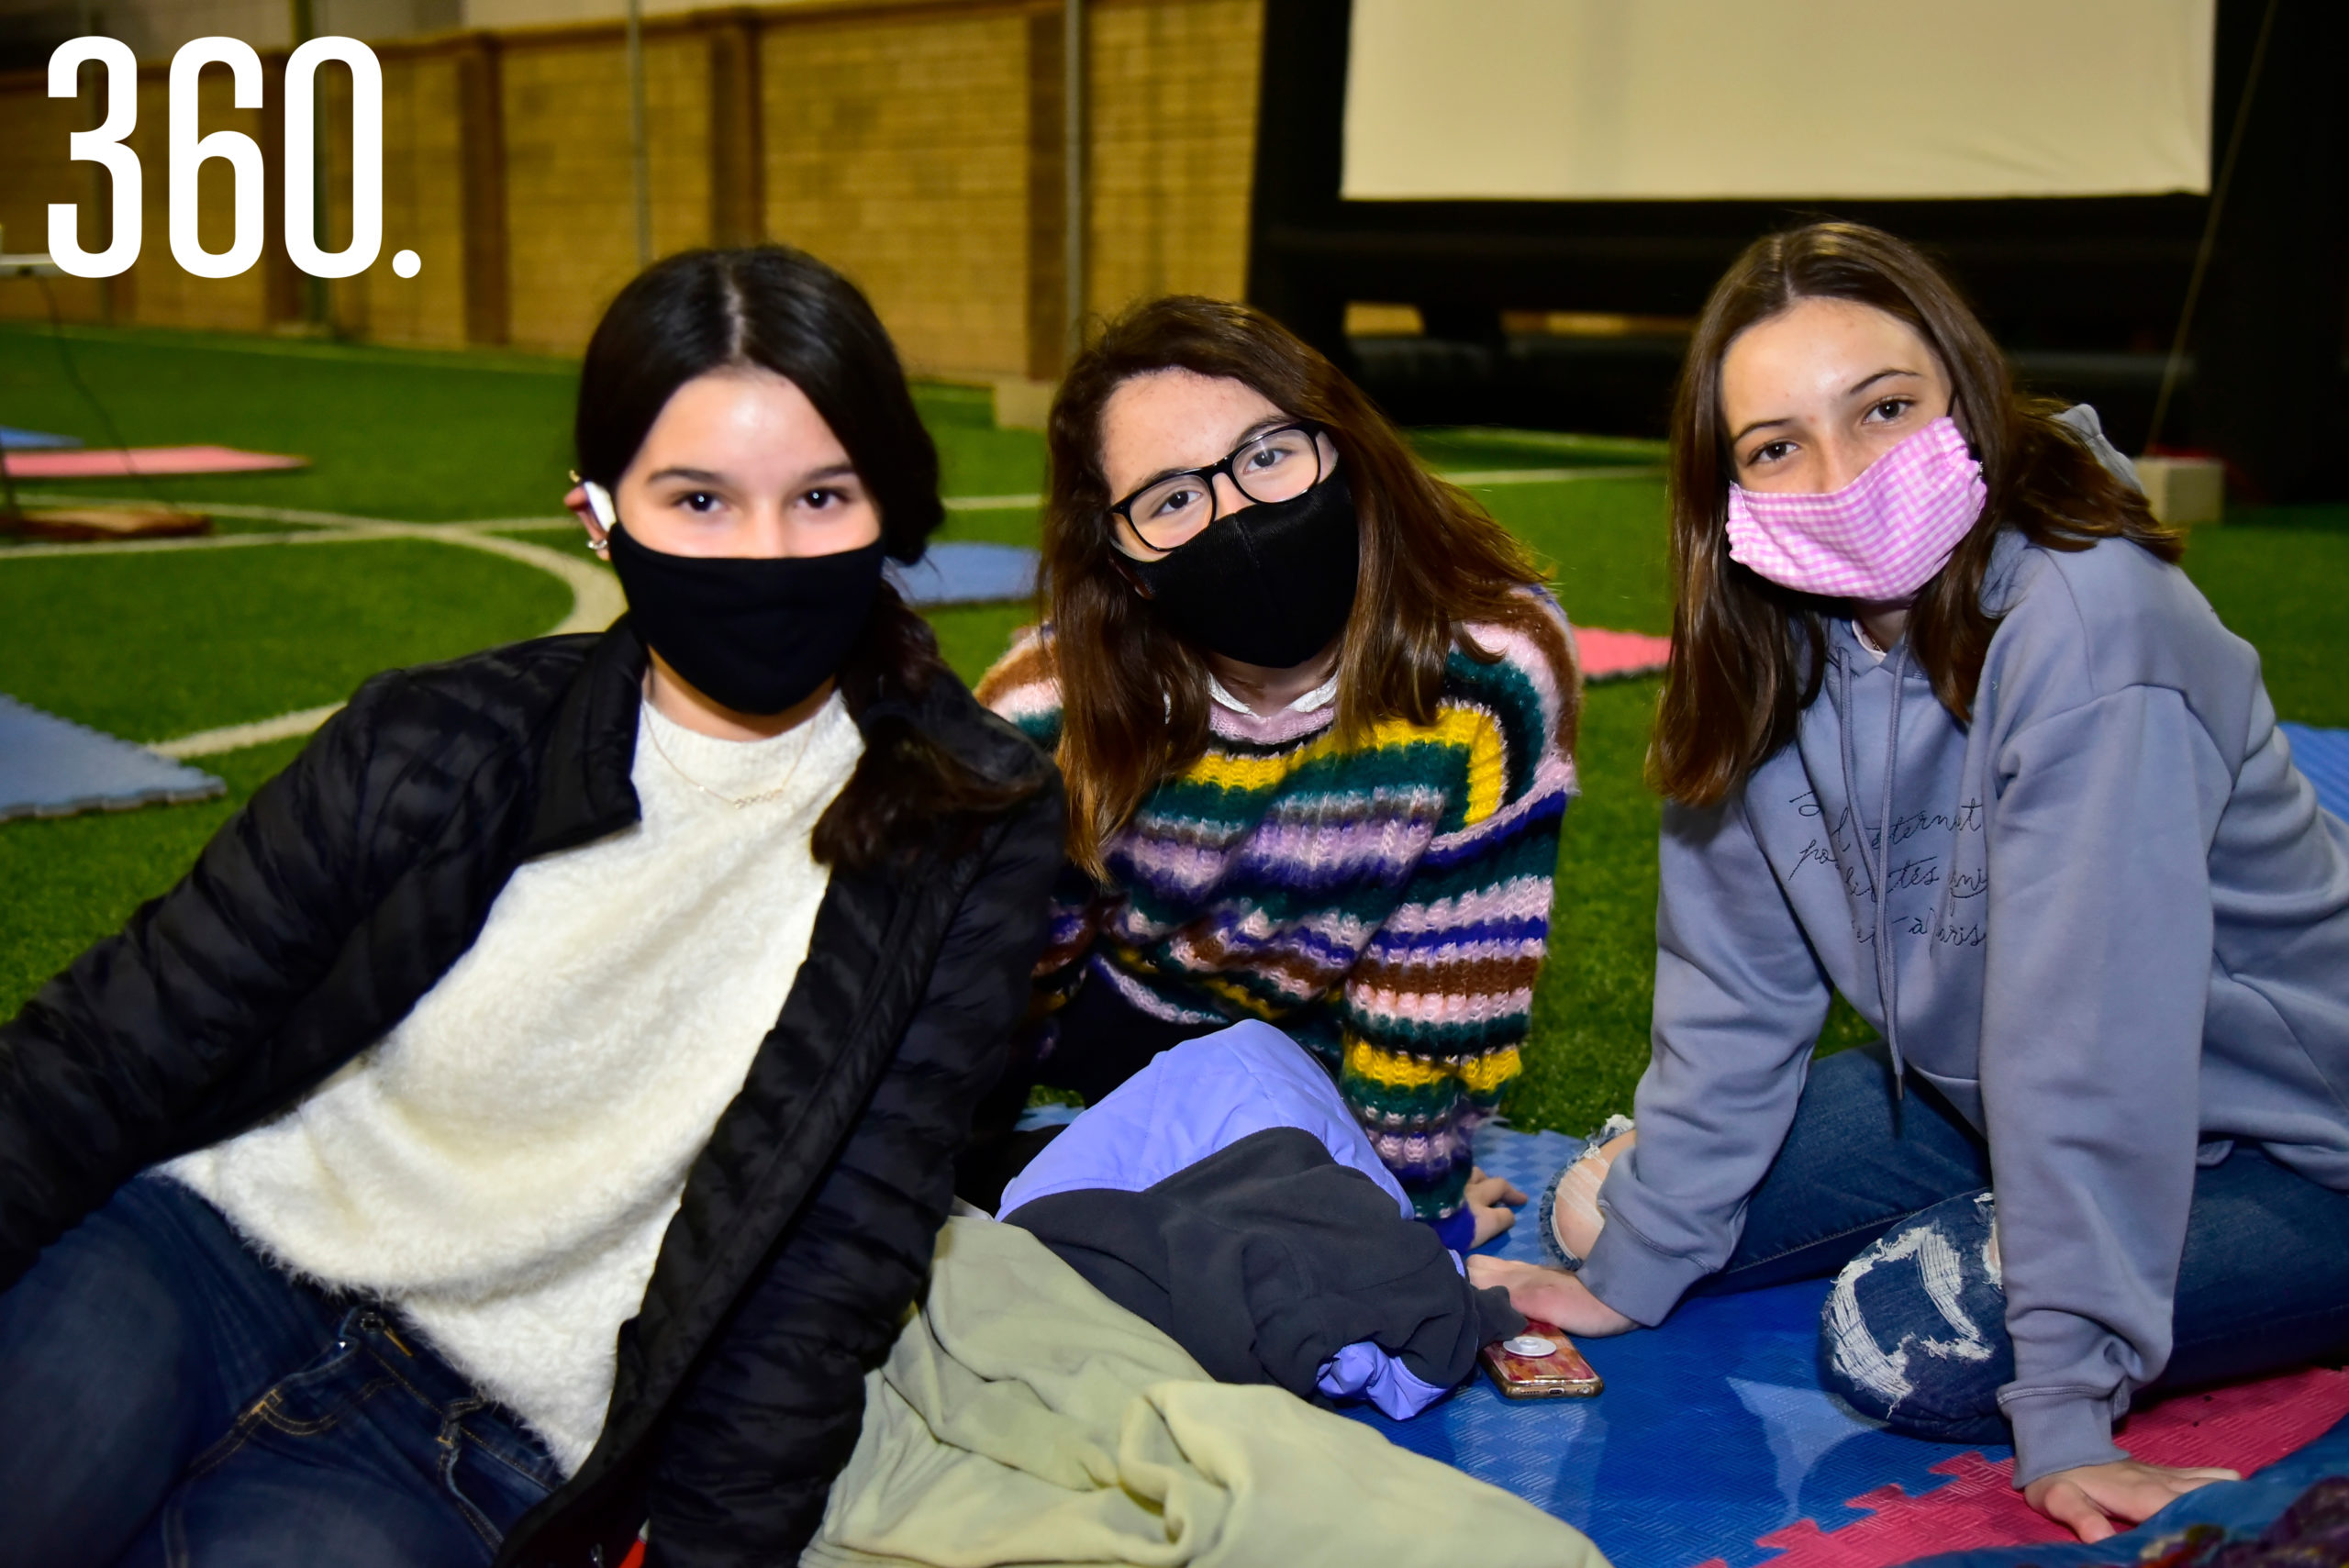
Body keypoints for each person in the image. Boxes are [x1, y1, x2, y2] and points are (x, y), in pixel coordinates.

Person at [0, 246, 1063, 1568]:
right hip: (209, 1255)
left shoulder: (970, 828)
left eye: (821, 496)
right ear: (596, 514)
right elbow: (119, 1039)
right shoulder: (437, 737)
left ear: (893, 509)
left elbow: (832, 1271)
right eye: (700, 500)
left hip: (479, 1436)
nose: (767, 551)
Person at [1478, 221, 2349, 1545]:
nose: (1840, 477)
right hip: (1975, 1097)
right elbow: (1731, 999)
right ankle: (2029, 1217)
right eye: (1778, 446)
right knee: (1603, 1218)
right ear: (1731, 493)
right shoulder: (1766, 653)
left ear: (1968, 397)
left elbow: (2090, 1040)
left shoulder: (2091, 623)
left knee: (1907, 1344)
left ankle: (2053, 1240)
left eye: (1884, 410)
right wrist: (1641, 1273)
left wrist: (2064, 1407)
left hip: (2299, 1143)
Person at [966, 295, 1580, 1250]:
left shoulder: (1491, 672)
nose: (1239, 514)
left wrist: (1414, 1214)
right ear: (1126, 564)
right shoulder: (1048, 706)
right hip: (1113, 998)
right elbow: (995, 966)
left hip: (1311, 1033)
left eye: (1266, 454)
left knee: (1292, 1218)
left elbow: (1435, 991)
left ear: (1344, 453)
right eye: (1171, 498)